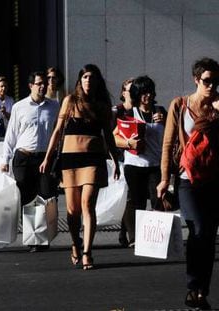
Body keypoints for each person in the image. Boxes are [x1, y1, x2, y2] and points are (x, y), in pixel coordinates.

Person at [156, 58, 219, 309]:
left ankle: (201, 291)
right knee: (197, 231)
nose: (212, 85)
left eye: (216, 81)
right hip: (187, 180)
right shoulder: (180, 104)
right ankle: (192, 285)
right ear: (196, 80)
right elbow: (167, 145)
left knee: (208, 237)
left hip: (216, 180)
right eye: (207, 80)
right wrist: (165, 179)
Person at [40, 64, 120, 270]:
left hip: (93, 159)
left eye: (91, 77)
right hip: (70, 160)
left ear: (97, 81)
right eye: (85, 77)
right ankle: (75, 244)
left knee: (87, 205)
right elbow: (57, 131)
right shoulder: (70, 101)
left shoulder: (102, 105)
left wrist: (116, 160)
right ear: (79, 80)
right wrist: (48, 158)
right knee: (73, 210)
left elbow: (108, 136)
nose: (88, 81)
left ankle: (87, 252)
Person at [0, 71, 60, 253]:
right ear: (31, 86)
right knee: (27, 199)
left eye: (44, 83)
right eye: (39, 83)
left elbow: (58, 133)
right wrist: (5, 160)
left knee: (46, 195)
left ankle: (43, 237)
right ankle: (33, 238)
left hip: (45, 157)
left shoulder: (54, 106)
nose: (43, 86)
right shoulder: (19, 107)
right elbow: (11, 135)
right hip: (24, 158)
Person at [114, 76, 166, 248]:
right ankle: (135, 238)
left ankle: (157, 238)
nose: (148, 96)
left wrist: (165, 122)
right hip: (134, 163)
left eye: (150, 92)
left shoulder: (161, 111)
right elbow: (114, 137)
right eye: (143, 93)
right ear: (137, 94)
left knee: (157, 199)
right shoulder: (129, 114)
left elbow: (172, 135)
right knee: (137, 201)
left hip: (155, 164)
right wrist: (129, 143)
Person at [112, 77, 135, 247]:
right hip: (120, 158)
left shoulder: (141, 110)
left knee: (130, 197)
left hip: (136, 159)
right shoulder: (116, 112)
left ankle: (124, 231)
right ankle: (130, 234)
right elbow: (109, 137)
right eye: (129, 89)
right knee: (126, 197)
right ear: (123, 93)